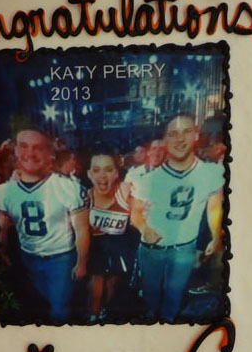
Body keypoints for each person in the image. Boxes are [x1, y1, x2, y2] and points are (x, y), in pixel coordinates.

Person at [130, 114, 224, 322]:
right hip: (152, 249)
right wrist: (144, 228)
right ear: (165, 140)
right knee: (151, 298)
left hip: (185, 247)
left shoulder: (211, 173)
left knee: (174, 299)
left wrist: (216, 235)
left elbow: (214, 206)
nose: (180, 139)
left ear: (196, 135)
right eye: (173, 134)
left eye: (186, 132)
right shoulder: (149, 179)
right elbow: (135, 213)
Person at [0, 129, 89, 323]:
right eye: (24, 146)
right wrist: (2, 250)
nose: (30, 153)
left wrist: (81, 262)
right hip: (28, 255)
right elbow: (2, 227)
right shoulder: (5, 191)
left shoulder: (68, 188)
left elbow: (81, 229)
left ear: (49, 154)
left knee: (59, 310)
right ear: (16, 151)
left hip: (61, 257)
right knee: (39, 305)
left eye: (38, 148)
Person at [85, 152, 134, 322]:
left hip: (119, 244)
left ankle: (103, 310)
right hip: (96, 246)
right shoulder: (85, 196)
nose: (102, 175)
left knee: (112, 281)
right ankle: (93, 313)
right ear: (89, 174)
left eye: (108, 169)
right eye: (96, 170)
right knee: (96, 280)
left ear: (116, 173)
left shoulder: (125, 191)